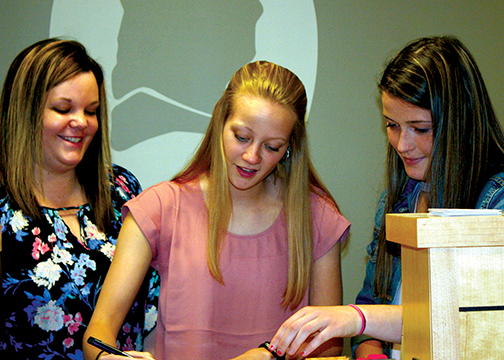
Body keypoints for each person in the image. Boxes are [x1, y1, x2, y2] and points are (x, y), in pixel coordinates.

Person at [83, 60, 350, 360]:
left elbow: (328, 349)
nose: (251, 157)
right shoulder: (160, 207)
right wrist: (108, 358)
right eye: (242, 137)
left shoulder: (317, 218)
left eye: (272, 147)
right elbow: (99, 331)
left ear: (289, 148)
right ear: (220, 122)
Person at [268, 35, 504, 359]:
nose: (402, 144)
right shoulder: (398, 199)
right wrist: (370, 350)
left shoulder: (495, 203)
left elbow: (465, 322)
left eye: (420, 129)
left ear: (459, 124)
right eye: (392, 125)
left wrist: (354, 319)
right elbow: (373, 308)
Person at [0, 39, 159, 359]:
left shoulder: (122, 189)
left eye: (92, 111)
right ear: (26, 110)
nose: (81, 123)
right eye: (63, 109)